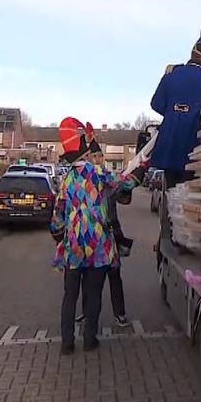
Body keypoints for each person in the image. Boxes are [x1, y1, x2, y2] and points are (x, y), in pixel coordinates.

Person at [49, 118, 145, 354]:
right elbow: (124, 184)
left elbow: (57, 217)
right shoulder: (98, 174)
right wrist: (142, 169)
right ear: (85, 151)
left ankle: (67, 343)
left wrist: (60, 234)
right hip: (98, 246)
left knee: (70, 295)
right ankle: (90, 339)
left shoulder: (66, 180)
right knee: (93, 294)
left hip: (73, 246)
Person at [150, 17, 201, 256]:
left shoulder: (172, 73)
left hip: (170, 142)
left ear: (191, 52)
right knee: (193, 193)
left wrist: (174, 112)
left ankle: (171, 235)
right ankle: (190, 239)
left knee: (171, 191)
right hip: (195, 143)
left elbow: (156, 104)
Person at [78, 143, 133, 327]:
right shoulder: (83, 181)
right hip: (91, 236)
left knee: (115, 275)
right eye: (93, 157)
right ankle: (87, 312)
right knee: (89, 277)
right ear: (88, 159)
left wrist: (128, 185)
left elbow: (124, 198)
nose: (97, 160)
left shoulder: (109, 181)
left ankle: (120, 313)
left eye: (99, 156)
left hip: (110, 233)